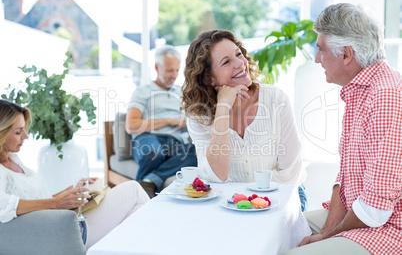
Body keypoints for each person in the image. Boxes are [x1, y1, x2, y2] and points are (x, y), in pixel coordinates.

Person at [283, 3, 402, 255]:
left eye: (321, 49)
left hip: (389, 228)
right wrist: (327, 231)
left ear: (346, 55)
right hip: (361, 215)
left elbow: (375, 209)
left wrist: (327, 236)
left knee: (295, 253)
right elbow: (345, 176)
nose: (316, 59)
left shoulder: (385, 96)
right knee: (284, 229)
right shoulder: (359, 90)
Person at [181, 29, 308, 211]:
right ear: (210, 79)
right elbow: (216, 176)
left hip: (284, 195)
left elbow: (291, 173)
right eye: (226, 62)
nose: (240, 63)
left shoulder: (276, 99)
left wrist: (251, 197)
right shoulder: (198, 116)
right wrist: (223, 107)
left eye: (239, 54)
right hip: (233, 204)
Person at [0, 100, 150, 249]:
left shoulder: (13, 159)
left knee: (134, 214)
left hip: (64, 221)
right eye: (18, 132)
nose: (25, 136)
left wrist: (72, 190)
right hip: (61, 232)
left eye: (24, 129)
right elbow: (5, 204)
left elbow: (38, 202)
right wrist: (56, 203)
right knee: (134, 191)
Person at [126, 45, 197, 198]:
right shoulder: (142, 92)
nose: (174, 75)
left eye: (177, 70)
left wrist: (188, 122)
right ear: (157, 67)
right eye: (170, 70)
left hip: (176, 141)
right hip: (149, 137)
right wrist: (168, 121)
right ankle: (140, 197)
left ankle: (149, 180)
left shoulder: (182, 93)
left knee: (199, 151)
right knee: (152, 152)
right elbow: (131, 126)